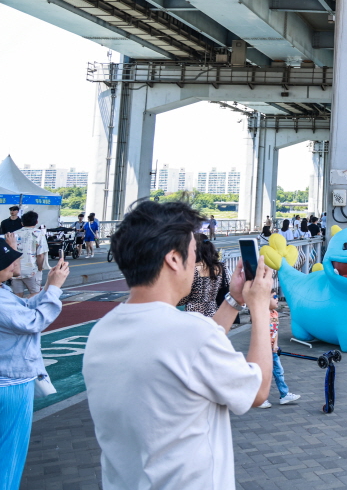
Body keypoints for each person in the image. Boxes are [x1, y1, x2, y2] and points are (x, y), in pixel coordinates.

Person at [83, 200, 273, 490]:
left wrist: (234, 300)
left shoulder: (102, 331)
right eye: (193, 254)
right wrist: (259, 307)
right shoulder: (190, 334)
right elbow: (257, 392)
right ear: (173, 259)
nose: (195, 263)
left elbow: (196, 351)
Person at [0, 235, 69, 489]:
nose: (16, 263)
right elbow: (35, 320)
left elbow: (24, 307)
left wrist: (49, 287)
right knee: (7, 455)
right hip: (11, 384)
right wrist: (55, 289)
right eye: (10, 260)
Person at [258, 290, 300, 409]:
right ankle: (260, 399)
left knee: (278, 371)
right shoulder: (263, 314)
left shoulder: (275, 314)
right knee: (264, 374)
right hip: (263, 351)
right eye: (274, 297)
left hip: (273, 350)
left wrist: (275, 344)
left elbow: (275, 331)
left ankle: (284, 394)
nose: (277, 298)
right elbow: (260, 333)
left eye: (277, 296)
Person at [177, 234, 230, 318]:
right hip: (213, 311)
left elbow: (184, 298)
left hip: (194, 313)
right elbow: (225, 286)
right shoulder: (220, 267)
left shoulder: (193, 269)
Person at [10, 212, 45, 298]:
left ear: (22, 223)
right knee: (35, 293)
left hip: (15, 270)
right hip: (31, 269)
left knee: (17, 295)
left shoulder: (14, 234)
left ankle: (20, 306)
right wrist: (40, 268)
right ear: (36, 222)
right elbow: (40, 255)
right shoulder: (39, 233)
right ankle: (27, 304)